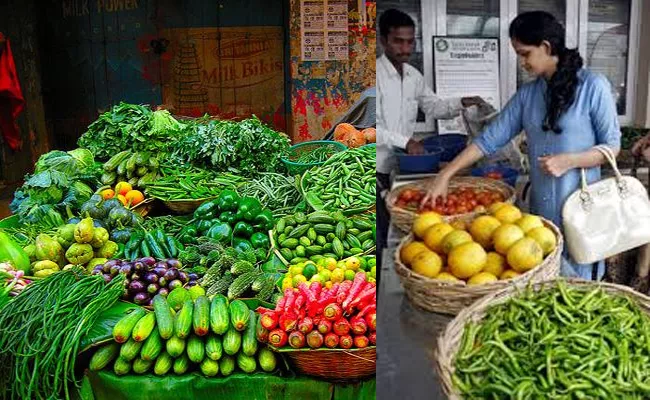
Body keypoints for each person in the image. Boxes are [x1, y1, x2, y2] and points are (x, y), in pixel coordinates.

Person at [422, 11, 621, 280]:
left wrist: (569, 160)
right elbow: (489, 139)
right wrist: (446, 174)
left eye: (525, 53)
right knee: (542, 281)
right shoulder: (528, 95)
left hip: (582, 211)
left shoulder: (593, 87)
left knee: (579, 287)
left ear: (546, 47)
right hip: (539, 217)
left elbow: (612, 147)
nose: (522, 62)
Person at [376, 8, 485, 282]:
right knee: (377, 239)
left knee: (398, 234)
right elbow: (368, 128)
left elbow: (433, 106)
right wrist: (407, 141)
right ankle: (377, 291)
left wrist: (462, 102)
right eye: (398, 41)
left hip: (400, 167)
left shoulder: (413, 75)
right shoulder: (372, 76)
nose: (405, 47)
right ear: (383, 41)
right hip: (374, 167)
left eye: (410, 41)